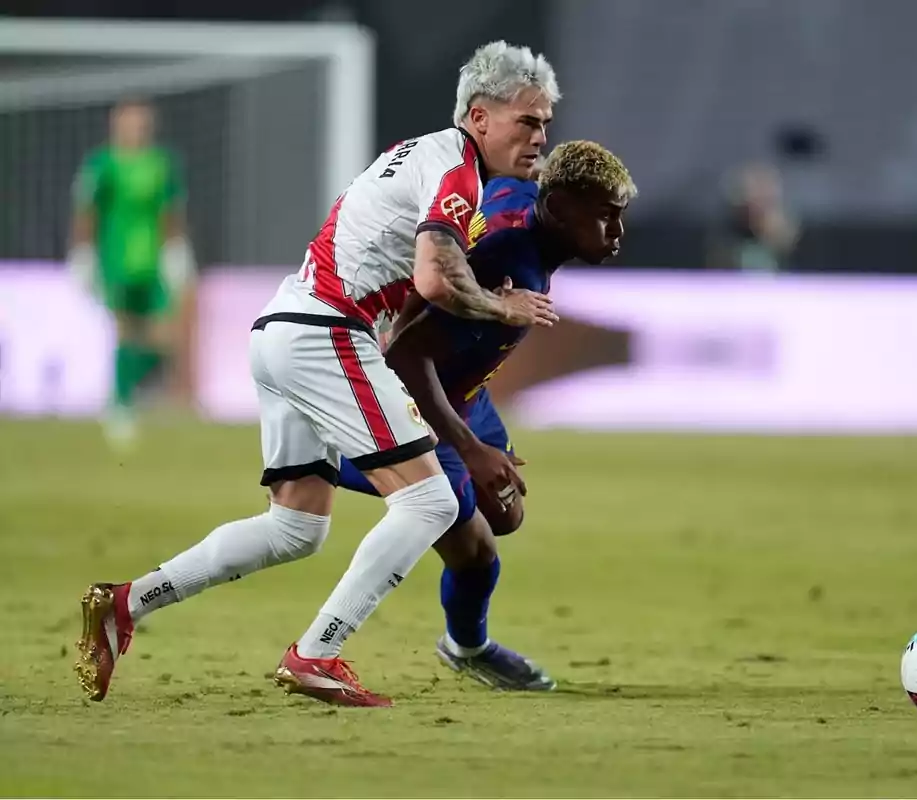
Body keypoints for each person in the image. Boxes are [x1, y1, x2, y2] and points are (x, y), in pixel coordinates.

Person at [74, 41, 561, 708]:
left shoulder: (417, 153)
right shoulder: (455, 172)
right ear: (479, 116)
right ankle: (317, 654)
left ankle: (125, 603)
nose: (540, 138)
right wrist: (498, 302)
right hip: (327, 332)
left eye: (545, 124)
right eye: (527, 121)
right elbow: (432, 276)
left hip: (284, 326)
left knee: (294, 528)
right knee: (430, 500)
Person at [338, 140, 636, 691]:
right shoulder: (511, 268)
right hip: (416, 406)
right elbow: (406, 356)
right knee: (476, 549)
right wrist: (470, 450)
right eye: (605, 218)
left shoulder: (520, 193)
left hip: (464, 397)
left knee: (506, 514)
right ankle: (467, 646)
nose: (617, 233)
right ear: (561, 209)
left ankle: (352, 459)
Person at [68, 98, 197, 449]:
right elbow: (87, 211)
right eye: (130, 123)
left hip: (153, 261)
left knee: (163, 338)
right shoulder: (102, 164)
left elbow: (171, 210)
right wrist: (83, 252)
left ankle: (120, 393)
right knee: (125, 331)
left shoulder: (162, 163)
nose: (136, 129)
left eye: (142, 123)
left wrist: (177, 251)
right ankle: (121, 408)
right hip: (116, 261)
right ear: (117, 126)